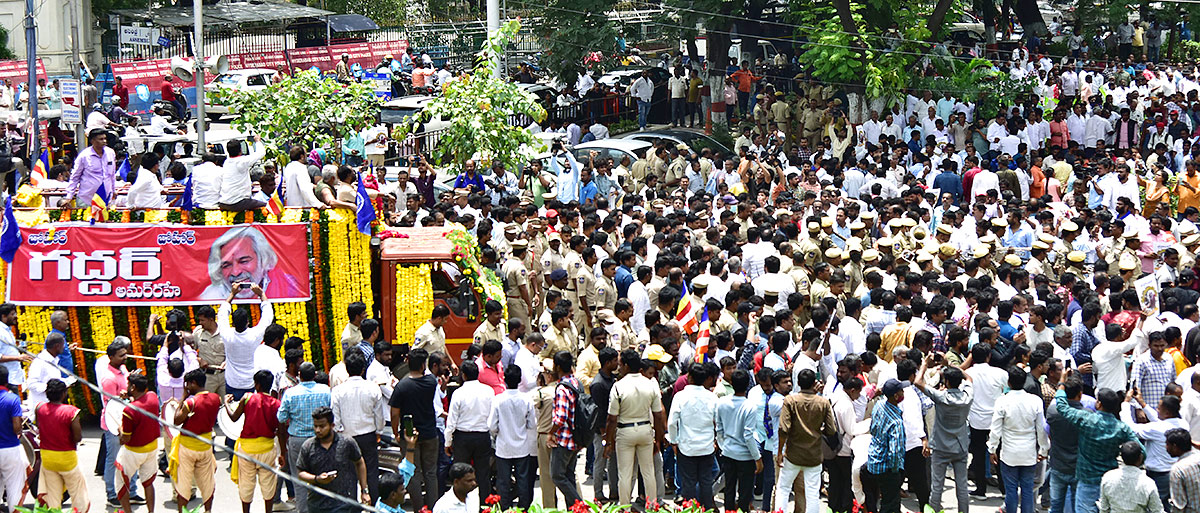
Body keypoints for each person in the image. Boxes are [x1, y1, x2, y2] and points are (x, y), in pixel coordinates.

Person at [1055, 377, 1145, 513]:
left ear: (1099, 404)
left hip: (1087, 480)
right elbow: (1142, 452)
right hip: (1111, 481)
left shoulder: (1086, 419)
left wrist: (1062, 384)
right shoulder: (1121, 428)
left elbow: (1062, 407)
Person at [914, 352, 973, 513]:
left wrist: (925, 364)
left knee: (937, 486)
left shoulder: (941, 396)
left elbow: (918, 382)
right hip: (960, 446)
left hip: (940, 446)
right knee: (962, 486)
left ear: (945, 382)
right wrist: (951, 366)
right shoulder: (967, 397)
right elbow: (969, 379)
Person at [604, 349, 664, 505]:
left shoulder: (618, 386)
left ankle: (624, 506)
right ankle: (652, 506)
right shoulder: (650, 384)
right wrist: (658, 439)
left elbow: (612, 418)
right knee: (648, 471)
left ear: (625, 365)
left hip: (625, 430)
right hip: (645, 429)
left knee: (625, 473)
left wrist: (609, 442)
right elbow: (658, 415)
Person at [989, 366, 1051, 513]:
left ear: (1009, 382)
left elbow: (995, 429)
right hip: (1029, 453)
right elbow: (1041, 429)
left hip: (1009, 453)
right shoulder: (1035, 401)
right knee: (1028, 489)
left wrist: (992, 449)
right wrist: (1043, 449)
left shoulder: (1002, 401)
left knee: (1011, 490)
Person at [330, 349, 385, 503]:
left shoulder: (337, 391)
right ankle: (373, 505)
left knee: (349, 474)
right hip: (368, 435)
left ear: (347, 369)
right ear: (363, 369)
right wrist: (379, 431)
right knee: (372, 471)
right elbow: (378, 415)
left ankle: (352, 507)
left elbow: (336, 416)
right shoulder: (373, 388)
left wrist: (339, 432)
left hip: (346, 436)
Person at [389, 348, 440, 509]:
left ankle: (419, 509)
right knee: (431, 473)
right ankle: (432, 508)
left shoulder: (402, 387)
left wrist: (396, 433)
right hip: (430, 433)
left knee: (412, 473)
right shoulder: (431, 382)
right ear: (423, 365)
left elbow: (395, 413)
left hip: (410, 435)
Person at [296, 406, 371, 513]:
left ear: (332, 425)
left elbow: (359, 462)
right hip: (317, 505)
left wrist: (364, 491)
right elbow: (300, 473)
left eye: (322, 426)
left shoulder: (347, 442)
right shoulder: (308, 446)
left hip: (344, 504)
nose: (318, 430)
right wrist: (317, 479)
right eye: (315, 426)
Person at [228, 369, 283, 513]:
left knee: (246, 484)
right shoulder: (276, 404)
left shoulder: (247, 398)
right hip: (267, 448)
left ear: (257, 385)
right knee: (269, 484)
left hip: (247, 449)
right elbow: (281, 430)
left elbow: (234, 417)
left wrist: (227, 404)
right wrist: (283, 452)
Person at [667, 361, 719, 510]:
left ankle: (691, 509)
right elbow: (718, 423)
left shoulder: (680, 396)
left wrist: (674, 441)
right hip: (707, 447)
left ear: (689, 377)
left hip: (686, 447)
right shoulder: (712, 397)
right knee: (706, 482)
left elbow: (672, 423)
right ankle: (707, 508)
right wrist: (717, 440)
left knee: (688, 483)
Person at [170, 369, 220, 513]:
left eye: (187, 384)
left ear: (193, 383)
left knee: (183, 485)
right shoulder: (216, 398)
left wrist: (183, 398)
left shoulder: (190, 402)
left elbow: (176, 420)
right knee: (207, 483)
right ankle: (208, 510)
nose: (186, 387)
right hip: (205, 447)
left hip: (187, 448)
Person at [34, 378, 87, 513]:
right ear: (64, 393)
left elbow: (40, 428)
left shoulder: (39, 408)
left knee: (52, 496)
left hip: (47, 458)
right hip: (67, 458)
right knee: (78, 494)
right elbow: (77, 437)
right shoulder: (71, 411)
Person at [445, 360, 495, 498]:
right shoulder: (488, 391)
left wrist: (447, 442)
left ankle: (462, 503)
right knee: (483, 475)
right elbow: (492, 415)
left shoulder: (458, 393)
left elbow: (452, 421)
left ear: (464, 375)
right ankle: (485, 506)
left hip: (463, 438)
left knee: (461, 474)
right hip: (483, 436)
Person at [489, 365, 536, 509]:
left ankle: (504, 508)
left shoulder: (498, 399)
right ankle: (523, 508)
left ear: (504, 379)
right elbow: (532, 423)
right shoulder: (527, 399)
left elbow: (491, 425)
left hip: (503, 447)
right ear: (520, 379)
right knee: (523, 479)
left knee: (503, 480)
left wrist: (498, 433)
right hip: (522, 446)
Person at [117, 373, 160, 513]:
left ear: (133, 387)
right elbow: (141, 402)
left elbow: (125, 438)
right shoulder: (153, 396)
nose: (127, 387)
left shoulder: (129, 411)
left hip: (133, 451)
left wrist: (119, 429)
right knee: (148, 483)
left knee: (121, 483)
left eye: (129, 385)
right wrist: (130, 397)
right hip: (152, 448)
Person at [863, 379, 907, 513]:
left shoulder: (880, 405)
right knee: (890, 504)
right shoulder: (896, 423)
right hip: (886, 467)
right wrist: (895, 471)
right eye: (901, 391)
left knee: (873, 499)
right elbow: (895, 452)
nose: (903, 393)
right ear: (895, 396)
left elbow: (873, 427)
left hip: (873, 459)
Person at [549, 351, 583, 506]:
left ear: (557, 366)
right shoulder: (577, 383)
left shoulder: (562, 388)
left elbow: (561, 416)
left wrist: (551, 432)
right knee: (568, 474)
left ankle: (580, 506)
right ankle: (574, 508)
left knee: (556, 475)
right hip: (577, 436)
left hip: (565, 439)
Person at [1099, 442, 1164, 513]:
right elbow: (1157, 510)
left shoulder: (1108, 477)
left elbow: (1104, 508)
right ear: (1140, 458)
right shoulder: (1148, 483)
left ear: (1122, 457)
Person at [64, 129, 116, 207]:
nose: (104, 141)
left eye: (105, 139)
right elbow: (75, 177)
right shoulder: (84, 156)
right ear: (92, 141)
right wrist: (69, 196)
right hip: (87, 199)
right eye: (101, 139)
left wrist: (113, 190)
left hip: (106, 199)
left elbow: (112, 175)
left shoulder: (110, 153)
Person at [218, 135, 267, 211]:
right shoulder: (242, 161)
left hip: (224, 202)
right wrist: (257, 141)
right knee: (267, 206)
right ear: (240, 150)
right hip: (237, 202)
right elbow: (261, 153)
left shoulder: (227, 162)